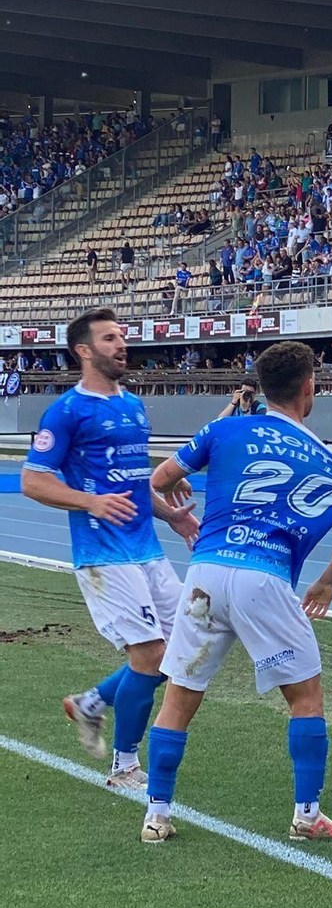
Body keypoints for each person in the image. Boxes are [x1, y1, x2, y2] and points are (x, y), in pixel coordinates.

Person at [141, 341, 332, 844]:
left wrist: (180, 508)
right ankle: (307, 817)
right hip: (263, 576)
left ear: (262, 387)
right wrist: (327, 581)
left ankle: (156, 816)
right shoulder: (326, 456)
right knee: (306, 697)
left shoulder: (223, 428)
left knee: (180, 696)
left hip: (204, 571)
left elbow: (159, 478)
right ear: (310, 387)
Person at [24, 308, 199, 789]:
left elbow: (133, 481)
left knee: (179, 652)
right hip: (102, 555)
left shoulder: (133, 406)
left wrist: (172, 515)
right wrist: (89, 501)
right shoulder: (66, 411)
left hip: (147, 550)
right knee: (150, 655)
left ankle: (89, 705)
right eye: (109, 338)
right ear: (84, 350)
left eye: (122, 337)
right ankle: (124, 767)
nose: (122, 345)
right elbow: (33, 481)